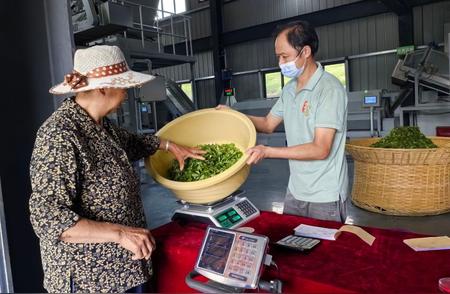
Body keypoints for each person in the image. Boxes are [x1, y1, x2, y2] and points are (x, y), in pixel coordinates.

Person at [29, 45, 205, 293]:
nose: (126, 96)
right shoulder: (60, 135)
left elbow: (132, 143)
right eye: (124, 88)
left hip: (127, 266)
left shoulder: (101, 125)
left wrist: (168, 145)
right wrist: (120, 234)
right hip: (92, 278)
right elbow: (47, 218)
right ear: (103, 87)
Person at [218, 21, 348, 222]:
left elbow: (320, 148)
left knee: (323, 252)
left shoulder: (329, 89)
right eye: (278, 56)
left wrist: (267, 151)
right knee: (290, 246)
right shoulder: (289, 90)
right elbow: (268, 124)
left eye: (285, 56)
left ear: (305, 51)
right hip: (295, 191)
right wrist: (234, 115)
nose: (280, 63)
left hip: (325, 195)